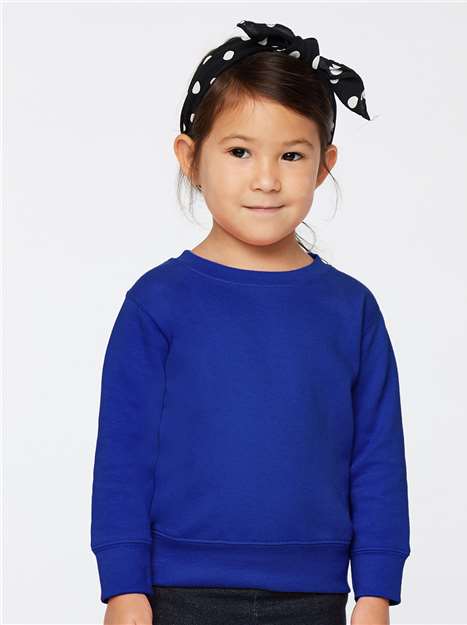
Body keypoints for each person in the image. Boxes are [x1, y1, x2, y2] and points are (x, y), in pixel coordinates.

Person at [90, 19, 411, 625]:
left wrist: (376, 590)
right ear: (190, 158)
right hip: (178, 593)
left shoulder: (351, 309)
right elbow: (124, 453)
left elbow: (376, 457)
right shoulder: (157, 302)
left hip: (314, 598)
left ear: (323, 165)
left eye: (291, 155)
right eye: (239, 152)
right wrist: (123, 586)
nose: (266, 179)